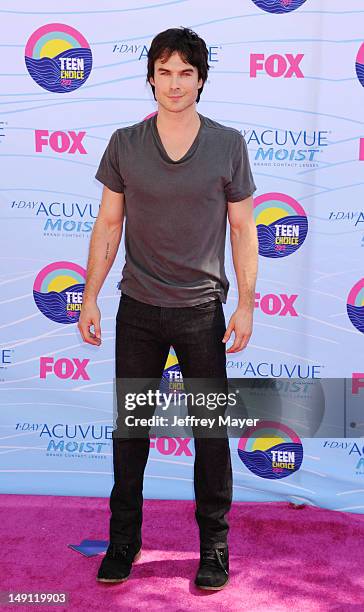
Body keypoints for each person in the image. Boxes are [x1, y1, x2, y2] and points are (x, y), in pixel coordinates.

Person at [78, 26, 258, 591]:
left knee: (209, 433)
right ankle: (124, 540)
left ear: (201, 79)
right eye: (165, 71)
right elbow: (109, 224)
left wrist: (246, 305)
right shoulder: (125, 143)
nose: (174, 83)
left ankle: (215, 546)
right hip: (138, 308)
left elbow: (244, 229)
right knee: (130, 432)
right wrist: (89, 296)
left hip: (201, 310)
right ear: (150, 77)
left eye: (186, 72)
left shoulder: (228, 144)